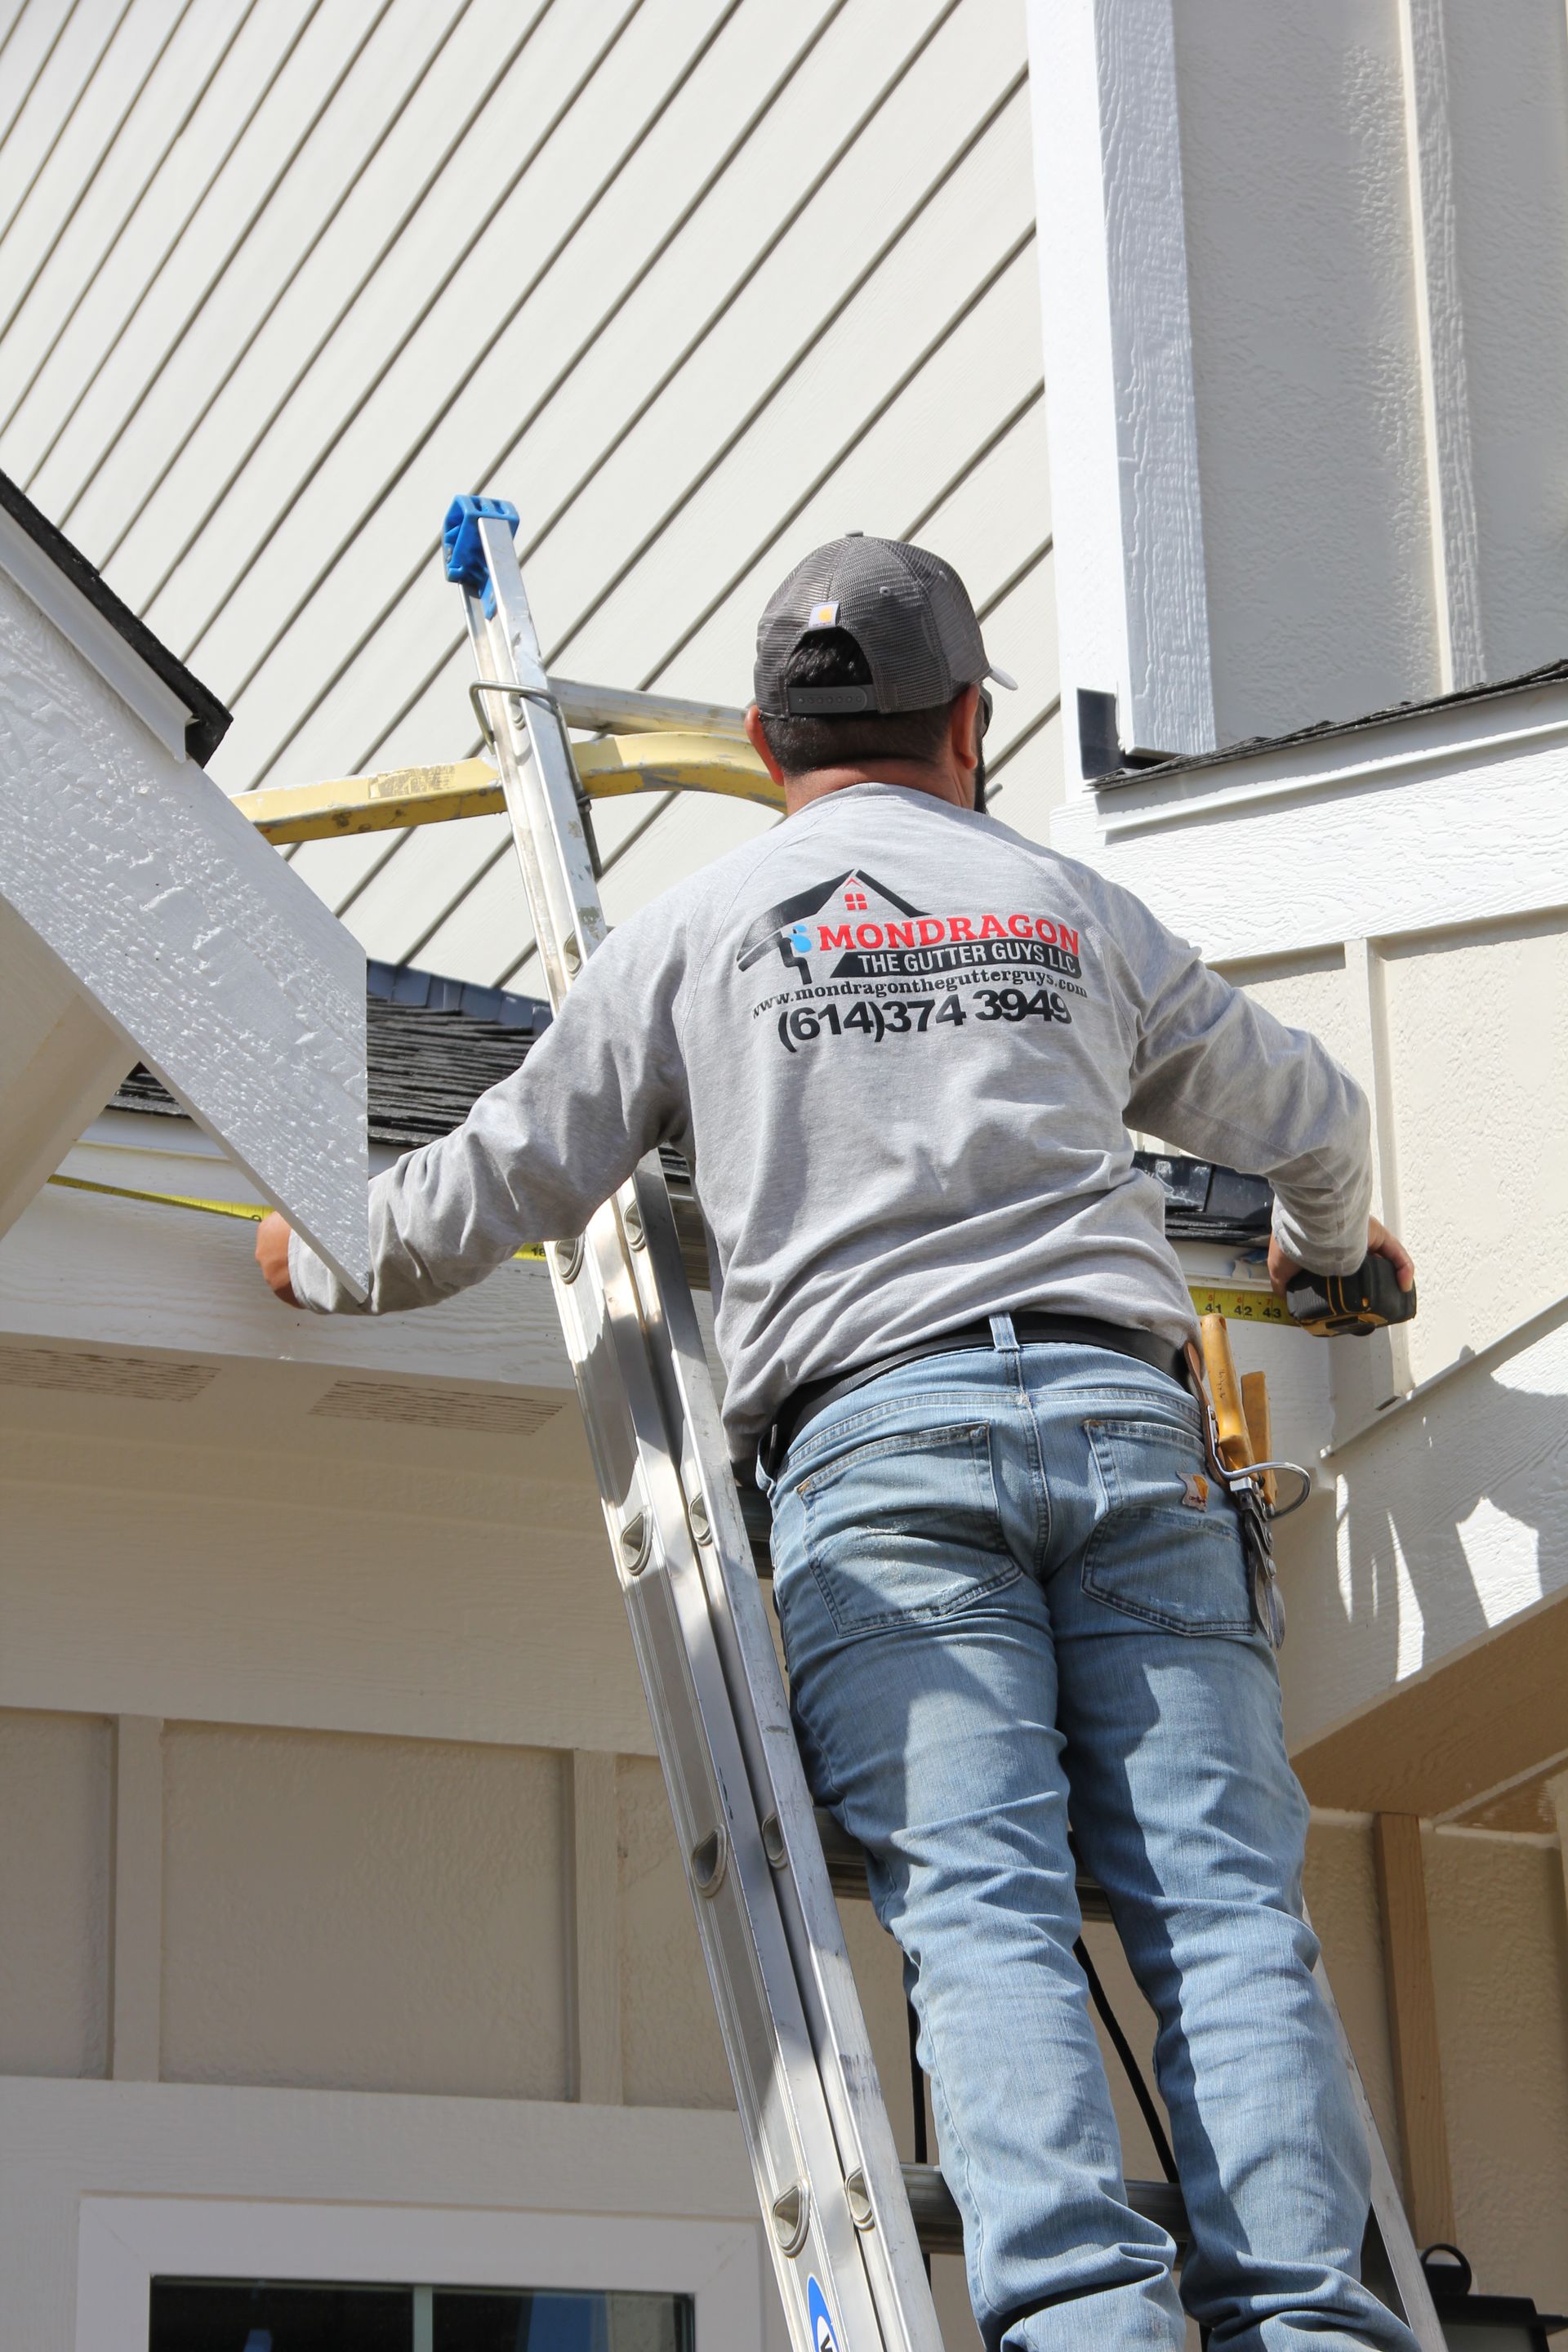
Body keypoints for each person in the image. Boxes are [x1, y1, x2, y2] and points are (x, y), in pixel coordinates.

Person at [256, 536, 1417, 2352]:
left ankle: (1091, 2333)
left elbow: (505, 1172)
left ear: (759, 736)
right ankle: (1314, 2330)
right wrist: (1329, 1258)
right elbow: (1318, 1116)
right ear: (968, 724)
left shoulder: (700, 937)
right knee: (1222, 1915)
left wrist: (325, 1249)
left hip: (881, 1457)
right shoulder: (1067, 910)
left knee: (987, 1912)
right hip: (1130, 1434)